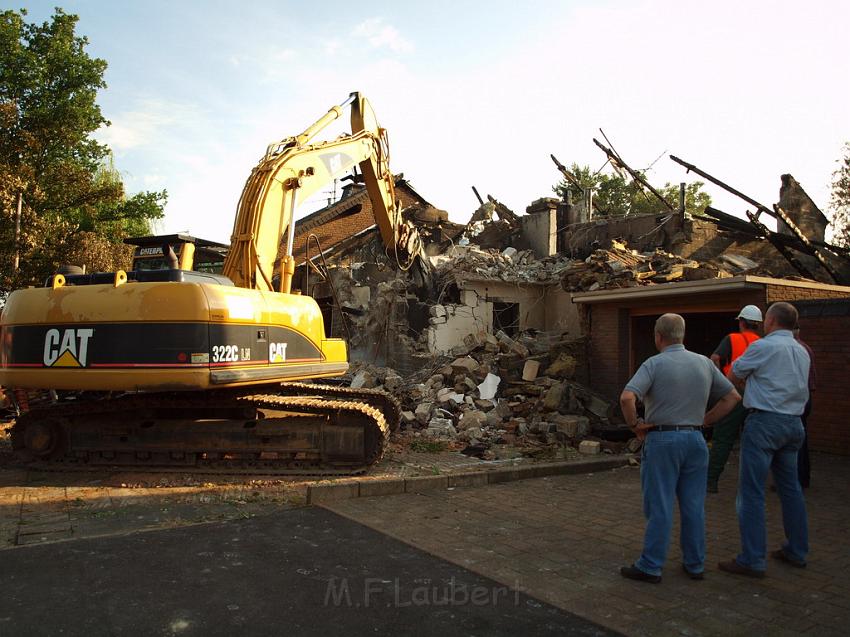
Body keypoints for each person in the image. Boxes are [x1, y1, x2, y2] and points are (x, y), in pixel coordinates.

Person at [619, 314, 741, 583]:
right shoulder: (704, 364)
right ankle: (695, 564)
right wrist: (704, 420)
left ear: (658, 336)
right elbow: (732, 397)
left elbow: (627, 396)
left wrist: (635, 425)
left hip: (663, 440)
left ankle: (651, 566)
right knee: (694, 505)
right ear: (682, 335)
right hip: (695, 441)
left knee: (660, 505)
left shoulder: (654, 364)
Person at [719, 302, 810, 578]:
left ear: (770, 321)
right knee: (790, 489)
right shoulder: (802, 350)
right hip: (794, 425)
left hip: (765, 423)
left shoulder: (763, 347)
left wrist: (751, 384)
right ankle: (797, 550)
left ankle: (752, 558)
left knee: (752, 492)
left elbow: (733, 375)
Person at [706, 305, 762, 493]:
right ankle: (753, 484)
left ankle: (710, 481)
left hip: (734, 392)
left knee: (723, 438)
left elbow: (714, 358)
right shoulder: (763, 343)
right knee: (754, 440)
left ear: (742, 322)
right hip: (755, 395)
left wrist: (721, 381)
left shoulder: (732, 338)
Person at [793, 325, 816, 489]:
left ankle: (796, 479)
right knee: (802, 436)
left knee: (795, 440)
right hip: (806, 396)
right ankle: (804, 476)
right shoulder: (806, 348)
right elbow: (812, 377)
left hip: (795, 398)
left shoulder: (794, 349)